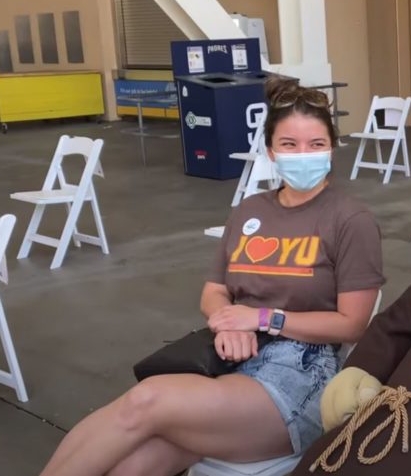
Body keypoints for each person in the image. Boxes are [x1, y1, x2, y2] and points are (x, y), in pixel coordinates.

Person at [40, 78, 385, 476]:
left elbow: (352, 324)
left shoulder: (349, 219)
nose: (302, 154)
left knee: (144, 401)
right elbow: (214, 291)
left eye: (316, 144)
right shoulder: (250, 211)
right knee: (135, 465)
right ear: (271, 151)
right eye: (289, 145)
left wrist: (260, 318)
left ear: (332, 149)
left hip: (301, 375)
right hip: (230, 357)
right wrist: (227, 323)